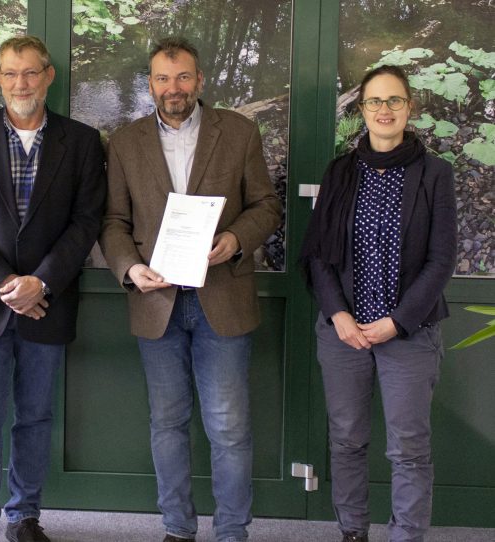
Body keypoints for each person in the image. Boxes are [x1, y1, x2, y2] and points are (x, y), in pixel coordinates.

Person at [99, 36, 282, 542]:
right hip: (156, 302)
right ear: (151, 84)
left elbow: (267, 206)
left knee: (228, 428)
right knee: (167, 424)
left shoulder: (240, 132)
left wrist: (235, 239)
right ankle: (178, 529)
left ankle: (231, 533)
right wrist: (129, 268)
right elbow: (113, 221)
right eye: (162, 78)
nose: (173, 88)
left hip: (221, 297)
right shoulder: (125, 141)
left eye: (183, 77)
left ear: (200, 81)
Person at [0, 35, 106, 542]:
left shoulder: (80, 142)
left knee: (35, 417)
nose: (20, 83)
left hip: (47, 303)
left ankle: (24, 516)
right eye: (10, 73)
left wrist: (42, 282)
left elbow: (86, 220)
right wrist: (5, 282)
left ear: (48, 75)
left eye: (30, 73)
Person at [300, 65, 457, 542]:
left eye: (394, 101)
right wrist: (340, 315)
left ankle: (406, 535)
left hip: (407, 334)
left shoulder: (436, 173)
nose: (384, 110)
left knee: (408, 449)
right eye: (374, 101)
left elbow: (442, 259)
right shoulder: (340, 171)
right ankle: (353, 531)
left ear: (410, 107)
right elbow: (318, 255)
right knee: (346, 440)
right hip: (343, 333)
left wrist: (397, 322)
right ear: (362, 109)